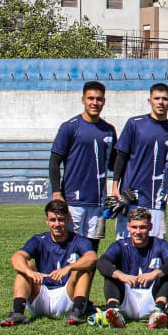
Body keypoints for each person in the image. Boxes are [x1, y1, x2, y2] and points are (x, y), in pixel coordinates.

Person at [1, 199, 97, 326]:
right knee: (26, 266)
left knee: (83, 269)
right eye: (52, 220)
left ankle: (76, 313)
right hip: (41, 296)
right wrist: (29, 272)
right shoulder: (39, 240)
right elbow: (16, 257)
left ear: (67, 219)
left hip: (66, 296)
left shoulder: (78, 240)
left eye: (61, 220)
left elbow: (92, 258)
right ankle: (18, 313)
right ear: (46, 221)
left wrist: (68, 268)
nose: (57, 224)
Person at [110, 83, 168, 240]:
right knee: (127, 246)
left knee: (156, 247)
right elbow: (121, 156)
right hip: (131, 198)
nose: (160, 102)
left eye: (164, 99)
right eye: (156, 98)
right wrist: (115, 187)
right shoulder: (135, 124)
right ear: (149, 100)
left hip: (157, 200)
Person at [49, 80, 117, 251]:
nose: (95, 103)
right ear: (83, 100)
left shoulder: (109, 130)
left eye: (99, 99)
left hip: (98, 201)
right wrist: (57, 192)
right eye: (91, 98)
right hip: (74, 201)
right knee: (69, 250)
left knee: (91, 252)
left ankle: (85, 279)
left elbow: (114, 164)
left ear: (104, 101)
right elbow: (54, 161)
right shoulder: (70, 127)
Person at [96, 207, 168, 329]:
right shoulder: (120, 245)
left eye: (143, 227)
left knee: (165, 274)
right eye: (134, 227)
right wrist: (121, 275)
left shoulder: (160, 244)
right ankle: (113, 310)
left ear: (150, 227)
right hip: (127, 299)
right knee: (112, 275)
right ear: (128, 227)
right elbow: (102, 262)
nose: (138, 231)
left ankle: (158, 312)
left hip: (151, 298)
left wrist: (155, 273)